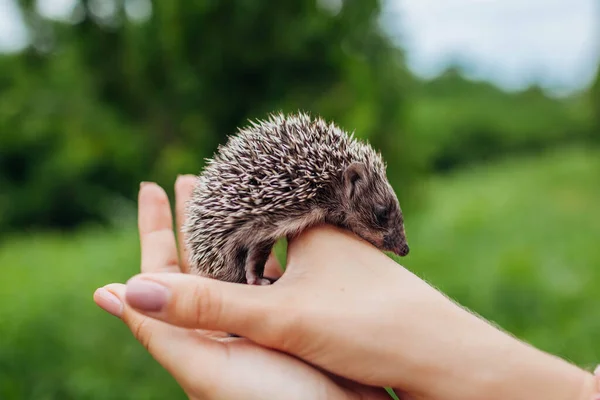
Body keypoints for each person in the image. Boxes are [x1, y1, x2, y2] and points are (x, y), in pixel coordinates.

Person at [93, 176, 600, 400]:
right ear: (350, 186)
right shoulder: (309, 205)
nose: (396, 246)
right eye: (381, 219)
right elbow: (264, 228)